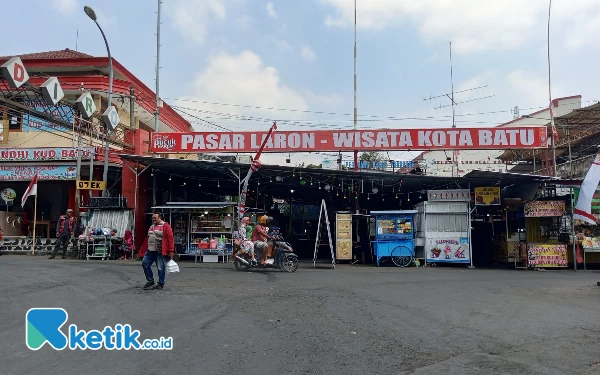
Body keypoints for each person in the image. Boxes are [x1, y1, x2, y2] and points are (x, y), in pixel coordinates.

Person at [141, 213, 174, 290]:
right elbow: (148, 238)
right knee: (144, 263)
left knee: (160, 268)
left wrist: (171, 251)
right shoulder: (151, 226)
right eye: (152, 218)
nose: (153, 219)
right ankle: (150, 280)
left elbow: (170, 238)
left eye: (155, 218)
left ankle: (161, 283)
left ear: (160, 218)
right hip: (150, 250)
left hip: (160, 251)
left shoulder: (166, 226)